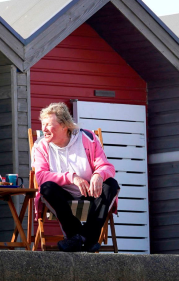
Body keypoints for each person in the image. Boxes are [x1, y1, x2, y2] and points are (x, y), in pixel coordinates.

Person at [32, 102, 120, 252]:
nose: (44, 129)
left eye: (48, 124)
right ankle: (82, 237)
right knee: (46, 187)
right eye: (43, 124)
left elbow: (107, 166)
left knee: (110, 184)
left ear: (64, 126)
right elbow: (40, 176)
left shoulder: (87, 138)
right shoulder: (41, 146)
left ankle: (81, 239)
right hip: (62, 194)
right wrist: (72, 178)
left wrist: (98, 174)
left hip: (90, 191)